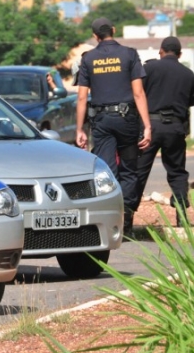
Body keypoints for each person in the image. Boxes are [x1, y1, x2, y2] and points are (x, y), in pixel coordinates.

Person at [75, 17, 152, 235]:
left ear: (94, 36)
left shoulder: (88, 58)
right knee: (129, 170)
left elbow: (82, 98)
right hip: (127, 120)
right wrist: (147, 125)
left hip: (101, 122)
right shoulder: (129, 54)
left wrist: (80, 129)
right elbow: (138, 93)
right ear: (114, 31)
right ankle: (126, 223)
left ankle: (109, 222)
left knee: (107, 171)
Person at [134, 36, 194, 227]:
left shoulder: (149, 69)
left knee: (139, 171)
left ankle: (127, 220)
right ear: (180, 54)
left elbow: (137, 93)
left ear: (160, 51)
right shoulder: (188, 74)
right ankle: (182, 217)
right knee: (177, 172)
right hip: (175, 127)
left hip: (149, 127)